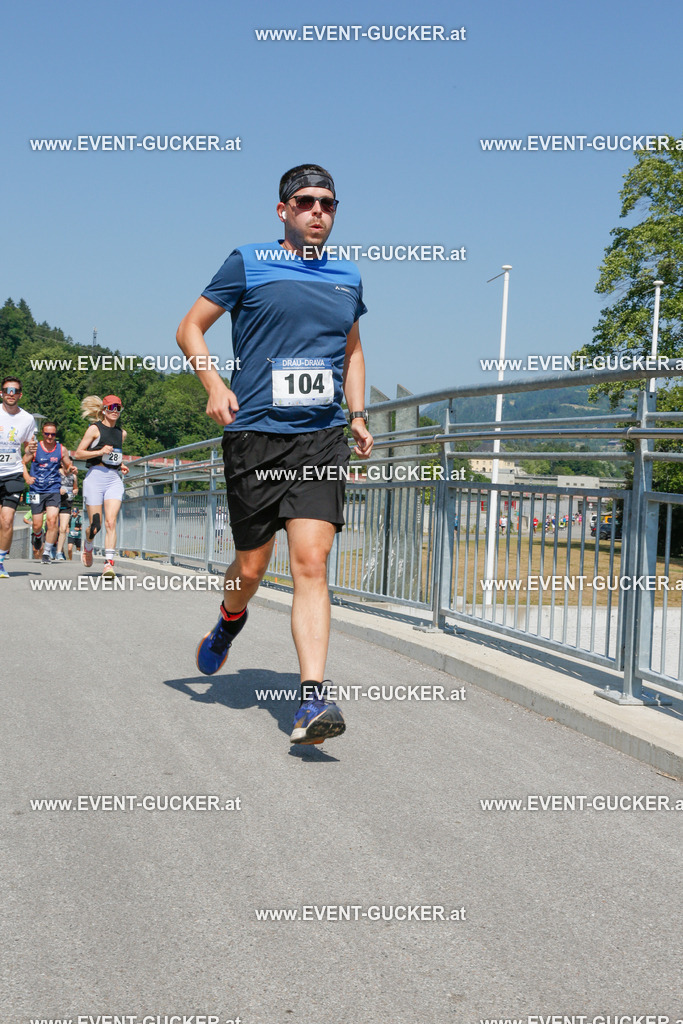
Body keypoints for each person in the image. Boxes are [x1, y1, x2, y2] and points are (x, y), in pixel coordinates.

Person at [176, 163, 373, 746]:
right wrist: (214, 385)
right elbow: (190, 327)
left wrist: (357, 415)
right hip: (255, 436)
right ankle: (228, 622)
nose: (319, 212)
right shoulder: (249, 261)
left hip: (319, 437)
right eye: (307, 202)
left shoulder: (348, 276)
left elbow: (353, 350)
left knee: (311, 562)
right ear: (283, 209)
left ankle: (311, 699)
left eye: (329, 204)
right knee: (253, 568)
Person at [73, 395, 129, 576]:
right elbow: (79, 454)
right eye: (111, 407)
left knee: (111, 522)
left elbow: (115, 456)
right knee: (95, 526)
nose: (114, 411)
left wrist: (121, 465)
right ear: (104, 409)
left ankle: (109, 563)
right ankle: (88, 544)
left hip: (113, 478)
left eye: (118, 408)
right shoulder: (94, 429)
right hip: (95, 478)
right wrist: (99, 451)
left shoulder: (122, 433)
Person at [23, 421, 78, 564]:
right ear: (43, 434)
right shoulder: (35, 448)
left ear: (55, 435)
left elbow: (68, 465)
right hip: (36, 490)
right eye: (47, 434)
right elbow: (22, 462)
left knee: (52, 520)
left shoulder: (61, 449)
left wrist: (71, 469)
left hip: (53, 489)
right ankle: (37, 535)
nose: (49, 437)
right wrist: (27, 477)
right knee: (36, 525)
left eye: (52, 434)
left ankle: (46, 552)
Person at [0, 377, 37, 577]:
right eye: (7, 390)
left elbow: (29, 449)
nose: (11, 393)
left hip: (13, 473)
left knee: (7, 521)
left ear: (20, 395)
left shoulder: (27, 419)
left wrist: (29, 452)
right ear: (2, 393)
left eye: (15, 391)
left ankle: (0, 562)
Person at [55, 465, 79, 560]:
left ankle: (58, 552)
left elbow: (75, 488)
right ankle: (52, 547)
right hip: (55, 501)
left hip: (67, 503)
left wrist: (75, 491)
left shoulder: (73, 476)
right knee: (53, 527)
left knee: (63, 528)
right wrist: (58, 489)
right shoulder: (56, 472)